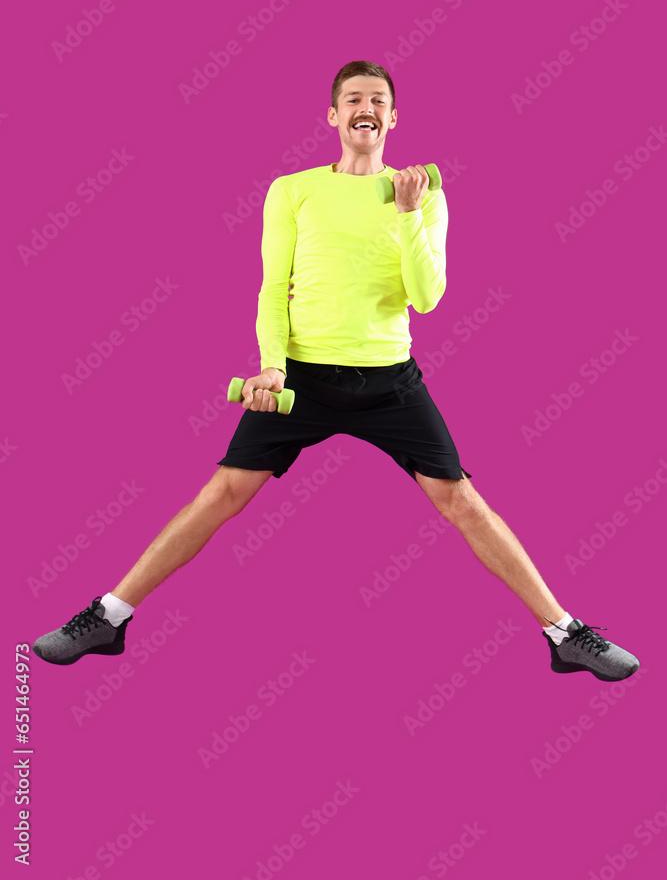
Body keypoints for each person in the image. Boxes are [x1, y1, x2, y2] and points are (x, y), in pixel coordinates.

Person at [32, 60, 639, 681]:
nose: (365, 107)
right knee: (222, 493)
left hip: (389, 381)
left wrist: (407, 212)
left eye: (378, 99)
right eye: (353, 98)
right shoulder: (292, 190)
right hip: (302, 379)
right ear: (333, 115)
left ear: (394, 118)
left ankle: (565, 633)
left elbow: (427, 298)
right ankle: (108, 617)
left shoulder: (425, 192)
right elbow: (273, 289)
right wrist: (271, 368)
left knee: (461, 500)